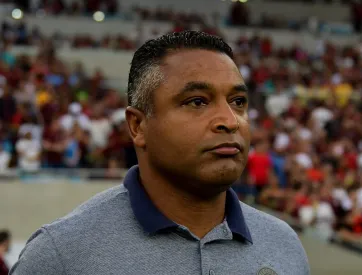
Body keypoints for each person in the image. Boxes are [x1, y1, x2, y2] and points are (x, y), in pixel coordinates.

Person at [11, 31, 310, 275]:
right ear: (138, 126)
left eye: (238, 101)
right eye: (197, 101)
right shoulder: (60, 255)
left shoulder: (284, 245)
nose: (230, 120)